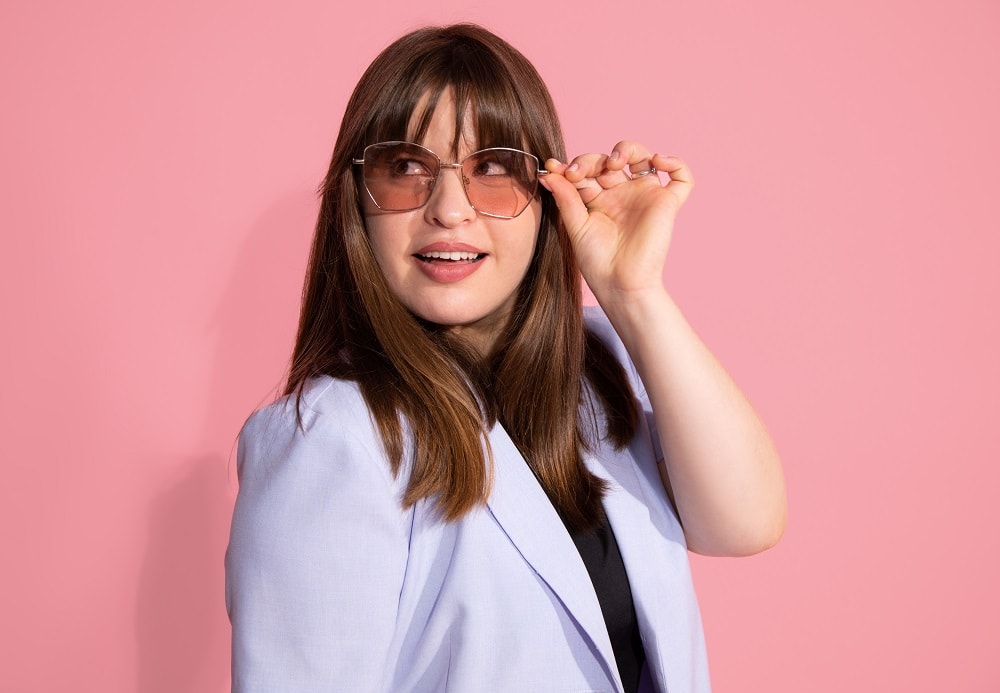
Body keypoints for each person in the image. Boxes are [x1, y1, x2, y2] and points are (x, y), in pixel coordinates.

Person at [225, 23, 786, 693]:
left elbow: (745, 522)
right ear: (358, 202)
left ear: (548, 190)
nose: (451, 211)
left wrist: (634, 291)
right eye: (406, 169)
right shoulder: (334, 439)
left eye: (492, 169)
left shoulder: (597, 362)